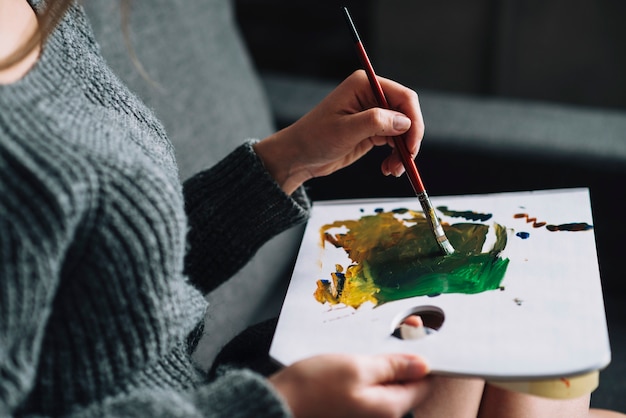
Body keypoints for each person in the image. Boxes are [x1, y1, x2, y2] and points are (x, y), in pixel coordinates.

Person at [1, 1, 624, 417]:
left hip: (217, 386)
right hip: (245, 404)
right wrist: (276, 406)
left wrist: (288, 159)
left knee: (531, 369)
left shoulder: (43, 12)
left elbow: (114, 278)